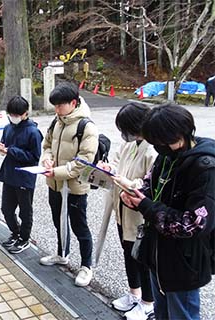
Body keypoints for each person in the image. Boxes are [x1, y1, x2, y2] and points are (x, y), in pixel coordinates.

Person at [120, 103, 215, 320]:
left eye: (159, 142)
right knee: (162, 313)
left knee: (182, 314)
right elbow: (148, 186)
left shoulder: (205, 167)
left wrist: (145, 205)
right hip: (157, 253)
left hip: (184, 262)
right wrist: (133, 197)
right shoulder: (166, 156)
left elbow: (192, 224)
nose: (156, 147)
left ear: (179, 135)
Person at [98, 103, 157, 320]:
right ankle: (134, 294)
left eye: (126, 129)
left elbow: (150, 183)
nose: (124, 134)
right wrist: (109, 169)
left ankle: (148, 303)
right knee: (128, 254)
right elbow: (116, 162)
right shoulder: (130, 145)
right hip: (122, 210)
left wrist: (129, 183)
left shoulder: (152, 149)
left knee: (142, 258)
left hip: (138, 215)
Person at [39, 82, 99, 287]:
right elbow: (46, 145)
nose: (56, 110)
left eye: (60, 105)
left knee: (79, 226)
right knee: (59, 221)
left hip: (75, 187)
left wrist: (56, 171)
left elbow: (83, 162)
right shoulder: (56, 122)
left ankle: (86, 267)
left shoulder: (86, 127)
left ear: (73, 103)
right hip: (54, 183)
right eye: (54, 106)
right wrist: (47, 159)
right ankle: (62, 254)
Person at [0, 96, 43, 254]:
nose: (13, 118)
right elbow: (5, 142)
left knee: (25, 211)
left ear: (25, 114)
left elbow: (34, 157)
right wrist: (2, 146)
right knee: (6, 209)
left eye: (16, 115)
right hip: (9, 174)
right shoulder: (8, 128)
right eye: (11, 114)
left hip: (25, 176)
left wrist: (11, 151)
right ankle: (15, 233)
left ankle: (24, 238)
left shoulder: (33, 132)